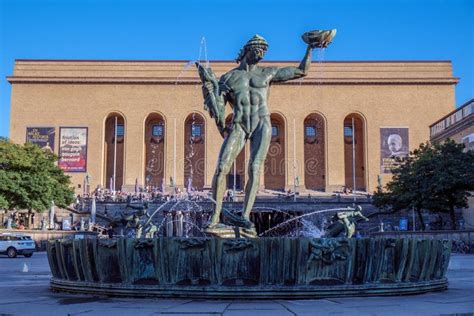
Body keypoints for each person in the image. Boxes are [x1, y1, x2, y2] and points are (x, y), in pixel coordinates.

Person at [196, 34, 315, 230]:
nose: (261, 54)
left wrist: (310, 49)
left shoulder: (267, 73)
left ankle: (244, 215)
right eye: (259, 49)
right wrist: (209, 87)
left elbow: (302, 71)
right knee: (222, 167)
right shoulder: (229, 77)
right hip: (239, 124)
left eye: (264, 51)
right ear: (247, 50)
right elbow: (218, 107)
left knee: (254, 168)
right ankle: (215, 216)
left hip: (262, 122)